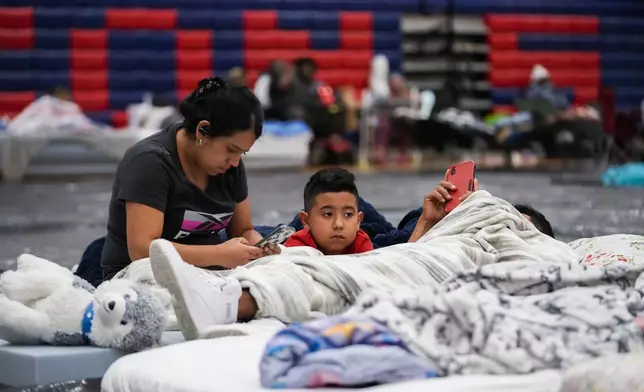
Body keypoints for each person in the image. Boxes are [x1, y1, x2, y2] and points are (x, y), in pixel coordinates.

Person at [100, 76, 278, 281]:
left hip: (209, 275)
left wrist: (260, 250)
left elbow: (244, 230)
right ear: (203, 130)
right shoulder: (150, 162)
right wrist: (220, 254)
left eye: (242, 153)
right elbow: (142, 251)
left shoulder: (229, 166)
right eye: (231, 149)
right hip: (141, 280)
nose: (236, 163)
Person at [280, 168, 374, 255]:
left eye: (348, 214)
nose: (339, 224)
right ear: (306, 221)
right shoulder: (297, 247)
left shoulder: (361, 244)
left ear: (358, 221)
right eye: (328, 214)